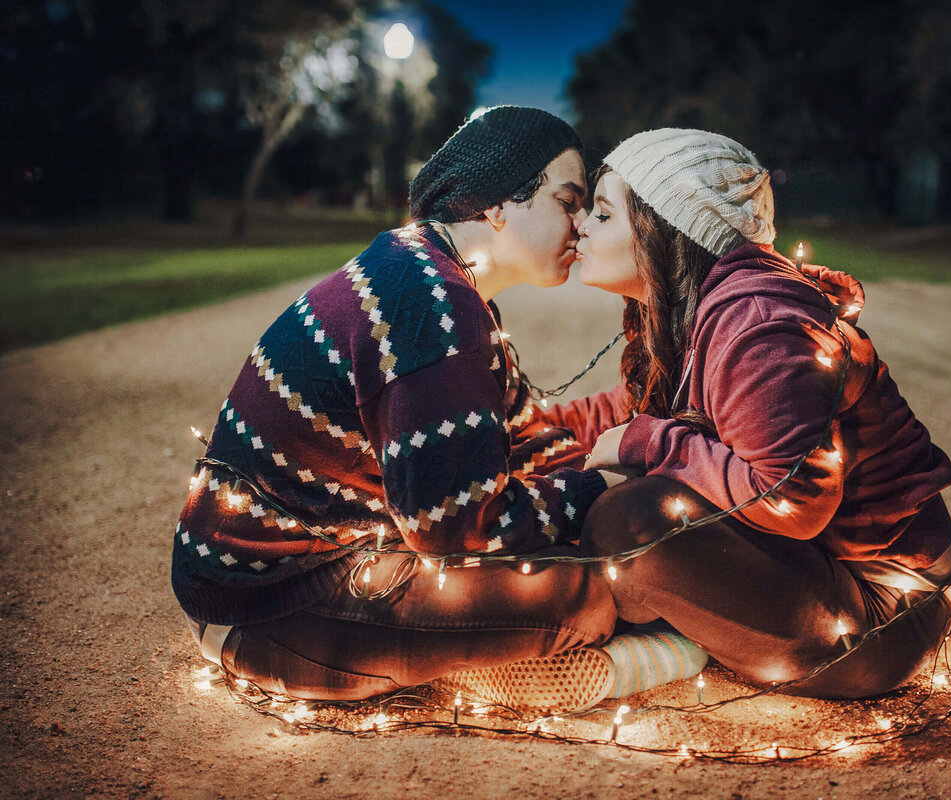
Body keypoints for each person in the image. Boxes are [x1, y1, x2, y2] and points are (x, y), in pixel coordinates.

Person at [172, 107, 701, 710]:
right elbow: (456, 530)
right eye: (566, 200)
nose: (580, 226)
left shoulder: (431, 276)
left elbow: (523, 431)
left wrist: (583, 475)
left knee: (565, 551)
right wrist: (597, 488)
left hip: (307, 567)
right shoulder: (428, 305)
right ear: (497, 204)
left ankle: (467, 655)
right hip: (270, 603)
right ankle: (535, 668)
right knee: (586, 593)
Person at [548, 128, 951, 698]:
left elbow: (791, 499)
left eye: (602, 212)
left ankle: (626, 654)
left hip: (878, 618)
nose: (581, 226)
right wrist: (527, 425)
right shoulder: (703, 311)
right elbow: (625, 408)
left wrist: (648, 442)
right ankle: (673, 646)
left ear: (667, 229)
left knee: (631, 519)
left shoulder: (759, 325)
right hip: (817, 574)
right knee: (615, 491)